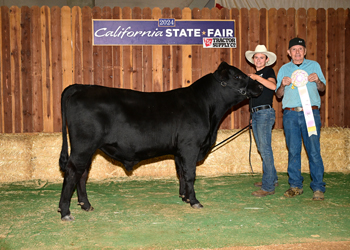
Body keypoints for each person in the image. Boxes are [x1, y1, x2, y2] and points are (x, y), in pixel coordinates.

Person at [276, 37, 326, 201]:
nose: (297, 52)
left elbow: (323, 88)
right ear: (289, 52)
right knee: (293, 151)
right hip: (290, 115)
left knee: (313, 150)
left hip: (310, 114)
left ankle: (318, 187)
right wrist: (282, 85)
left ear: (304, 51)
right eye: (294, 49)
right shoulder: (284, 69)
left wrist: (317, 80)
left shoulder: (315, 66)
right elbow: (278, 95)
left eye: (300, 49)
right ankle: (295, 186)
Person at [245, 45, 278, 197]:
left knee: (264, 149)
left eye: (261, 57)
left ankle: (268, 186)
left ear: (267, 59)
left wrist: (257, 77)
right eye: (256, 57)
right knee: (263, 148)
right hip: (257, 114)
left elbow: (273, 86)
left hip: (265, 113)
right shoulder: (256, 75)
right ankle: (272, 178)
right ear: (253, 60)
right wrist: (252, 116)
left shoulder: (268, 72)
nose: (258, 60)